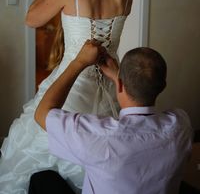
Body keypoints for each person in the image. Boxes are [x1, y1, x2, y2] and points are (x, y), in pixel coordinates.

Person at [0, 0, 133, 193]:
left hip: (70, 86)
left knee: (51, 139)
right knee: (103, 153)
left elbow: (31, 18)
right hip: (109, 86)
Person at [28, 40, 193, 194]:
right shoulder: (181, 125)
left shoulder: (99, 136)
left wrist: (79, 62)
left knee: (42, 178)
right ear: (163, 87)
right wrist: (117, 77)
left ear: (121, 85)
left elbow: (42, 113)